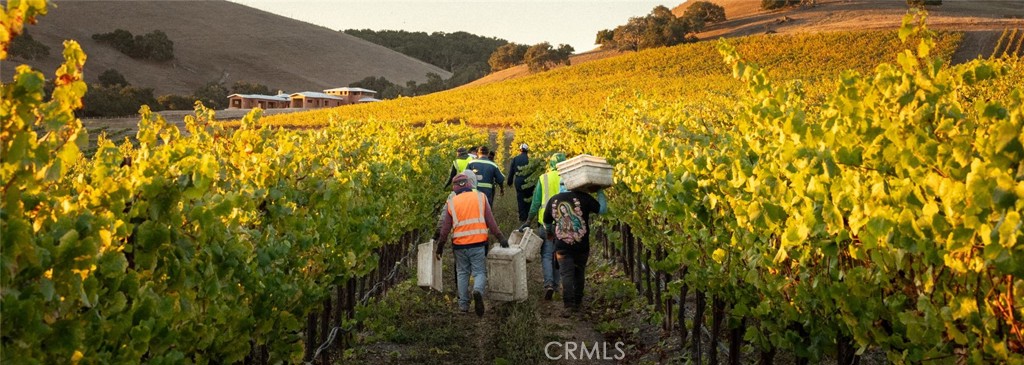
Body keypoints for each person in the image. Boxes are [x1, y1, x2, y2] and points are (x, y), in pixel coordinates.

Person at [436, 173, 508, 316]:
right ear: (469, 184)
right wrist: (500, 237)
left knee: (462, 273)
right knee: (479, 271)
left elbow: (445, 229)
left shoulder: (452, 202)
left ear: (455, 188)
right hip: (478, 242)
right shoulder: (481, 197)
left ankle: (463, 306)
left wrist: (440, 246)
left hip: (459, 245)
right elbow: (491, 221)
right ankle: (478, 291)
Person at [543, 183, 607, 316]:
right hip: (581, 245)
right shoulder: (585, 197)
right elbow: (602, 210)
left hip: (562, 246)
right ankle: (578, 303)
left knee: (566, 274)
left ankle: (568, 305)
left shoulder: (554, 200)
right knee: (579, 272)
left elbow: (547, 221)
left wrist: (549, 232)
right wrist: (600, 190)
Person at [526, 152, 566, 301]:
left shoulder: (544, 178)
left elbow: (536, 202)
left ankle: (548, 284)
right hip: (564, 224)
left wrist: (528, 220)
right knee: (559, 254)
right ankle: (556, 285)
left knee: (547, 255)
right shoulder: (568, 177)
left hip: (545, 222)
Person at [506, 143, 533, 223]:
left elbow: (511, 172)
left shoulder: (515, 159)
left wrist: (509, 182)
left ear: (520, 150)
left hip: (519, 181)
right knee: (528, 199)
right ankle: (528, 217)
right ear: (527, 150)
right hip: (529, 181)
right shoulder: (530, 159)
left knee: (520, 199)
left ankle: (522, 217)